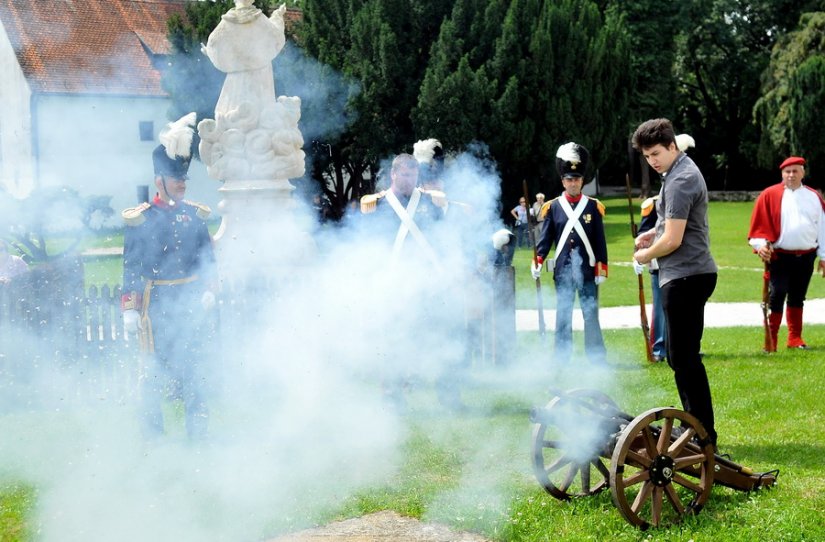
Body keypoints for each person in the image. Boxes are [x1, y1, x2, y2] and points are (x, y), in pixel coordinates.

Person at [121, 113, 219, 441]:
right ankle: (153, 440)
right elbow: (131, 267)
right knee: (151, 376)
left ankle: (200, 436)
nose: (183, 183)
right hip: (156, 309)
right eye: (177, 178)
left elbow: (209, 261)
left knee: (197, 373)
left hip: (191, 305)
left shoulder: (195, 215)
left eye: (184, 179)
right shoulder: (140, 219)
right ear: (159, 180)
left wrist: (209, 289)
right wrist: (130, 308)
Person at [632, 118, 718, 450]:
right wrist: (651, 233)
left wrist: (645, 255)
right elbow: (670, 225)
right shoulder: (675, 173)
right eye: (646, 156)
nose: (652, 161)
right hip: (685, 274)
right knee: (680, 357)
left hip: (686, 275)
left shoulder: (681, 179)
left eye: (655, 153)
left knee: (684, 359)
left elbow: (673, 240)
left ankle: (703, 434)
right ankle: (697, 429)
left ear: (672, 146)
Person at [360, 154, 464, 411]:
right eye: (405, 175)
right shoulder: (378, 205)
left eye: (413, 175)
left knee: (444, 338)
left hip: (428, 283)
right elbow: (369, 246)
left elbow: (443, 240)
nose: (409, 180)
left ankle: (449, 397)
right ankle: (392, 398)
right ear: (393, 175)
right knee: (394, 342)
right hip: (395, 285)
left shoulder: (431, 202)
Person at [531, 142, 608, 364]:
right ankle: (561, 356)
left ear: (582, 181)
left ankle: (596, 356)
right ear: (563, 181)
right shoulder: (553, 207)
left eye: (576, 179)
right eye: (569, 179)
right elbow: (545, 240)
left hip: (587, 271)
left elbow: (599, 242)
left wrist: (601, 267)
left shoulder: (593, 207)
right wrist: (538, 261)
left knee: (590, 315)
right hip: (563, 270)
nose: (573, 183)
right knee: (563, 315)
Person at [748, 155, 825, 350]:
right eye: (787, 172)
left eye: (795, 171)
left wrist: (823, 257)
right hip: (779, 256)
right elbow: (757, 230)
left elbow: (822, 228)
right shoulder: (769, 195)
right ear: (782, 173)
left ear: (802, 173)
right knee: (778, 293)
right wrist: (760, 247)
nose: (791, 175)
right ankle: (771, 338)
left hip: (807, 255)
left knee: (798, 296)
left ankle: (795, 338)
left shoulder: (813, 196)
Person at [633, 195, 667, 362]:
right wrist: (637, 257)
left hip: (683, 263)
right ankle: (659, 348)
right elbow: (642, 237)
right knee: (660, 308)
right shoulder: (652, 204)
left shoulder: (684, 197)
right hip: (659, 264)